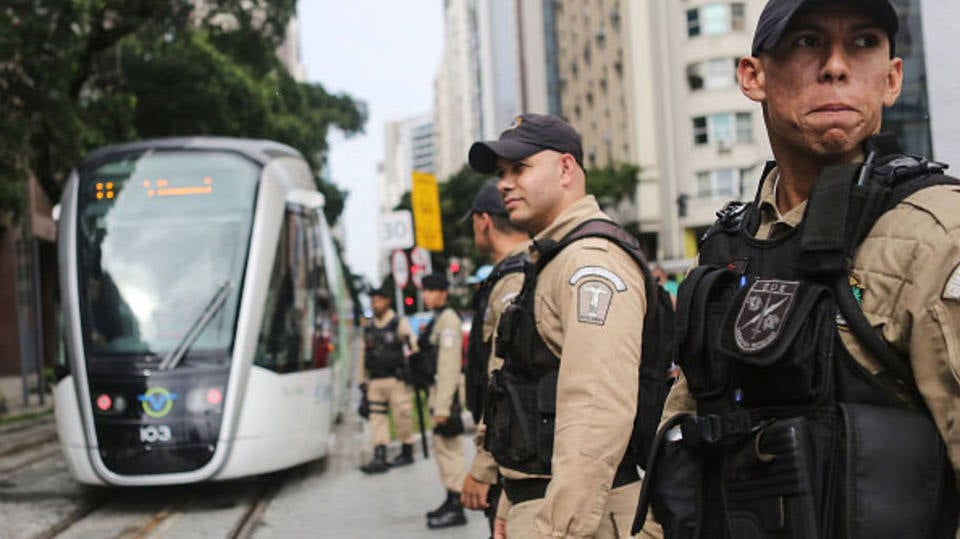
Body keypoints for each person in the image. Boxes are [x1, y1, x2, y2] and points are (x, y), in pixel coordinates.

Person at [637, 0, 960, 536]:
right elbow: (684, 439)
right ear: (753, 76)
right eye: (807, 42)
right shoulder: (726, 247)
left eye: (862, 43)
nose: (836, 66)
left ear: (892, 79)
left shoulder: (935, 232)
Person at [468, 113, 670, 538]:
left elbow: (596, 412)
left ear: (565, 169)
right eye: (501, 173)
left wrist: (558, 531)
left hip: (581, 518)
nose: (504, 184)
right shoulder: (554, 258)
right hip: (547, 504)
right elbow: (524, 388)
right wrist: (511, 498)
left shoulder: (590, 262)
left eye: (519, 168)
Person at [459, 180, 530, 537]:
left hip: (517, 456)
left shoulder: (513, 279)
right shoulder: (528, 267)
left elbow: (504, 379)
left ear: (483, 220)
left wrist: (484, 465)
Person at [421, 272, 469, 530]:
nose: (426, 296)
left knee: (450, 450)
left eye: (431, 291)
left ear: (443, 293)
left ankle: (457, 504)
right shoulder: (439, 318)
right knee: (442, 449)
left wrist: (442, 407)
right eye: (424, 291)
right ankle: (451, 497)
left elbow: (449, 367)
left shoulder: (448, 320)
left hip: (446, 396)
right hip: (439, 393)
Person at [357, 286, 418, 474]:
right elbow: (362, 355)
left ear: (387, 301)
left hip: (395, 379)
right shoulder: (368, 327)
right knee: (377, 418)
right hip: (375, 381)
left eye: (378, 301)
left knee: (402, 416)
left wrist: (413, 366)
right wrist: (361, 380)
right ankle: (379, 456)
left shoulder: (398, 322)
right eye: (373, 301)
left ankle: (407, 452)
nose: (375, 305)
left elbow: (412, 345)